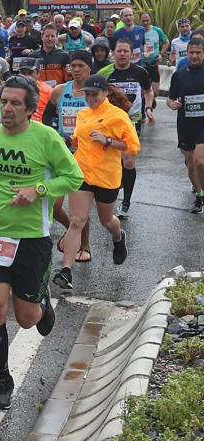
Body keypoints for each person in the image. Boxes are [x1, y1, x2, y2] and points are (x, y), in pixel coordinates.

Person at [0, 76, 83, 410]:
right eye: (4, 101)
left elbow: (73, 177)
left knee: (27, 319)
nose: (7, 108)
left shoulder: (46, 138)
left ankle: (41, 301)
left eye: (15, 103)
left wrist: (38, 190)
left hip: (32, 237)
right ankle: (3, 377)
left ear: (30, 109)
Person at [52, 75, 137, 291]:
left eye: (94, 94)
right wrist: (65, 141)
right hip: (81, 174)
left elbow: (132, 146)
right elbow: (79, 140)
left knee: (106, 220)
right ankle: (66, 270)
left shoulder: (117, 116)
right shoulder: (83, 114)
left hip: (107, 176)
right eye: (87, 94)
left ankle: (118, 237)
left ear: (105, 93)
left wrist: (108, 140)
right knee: (77, 221)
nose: (90, 98)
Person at [42, 50, 94, 262]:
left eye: (81, 65)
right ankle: (73, 231)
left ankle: (85, 245)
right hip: (62, 153)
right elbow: (46, 119)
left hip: (86, 155)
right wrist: (55, 137)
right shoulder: (59, 91)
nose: (77, 70)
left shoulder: (95, 93)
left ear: (90, 68)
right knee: (54, 205)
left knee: (78, 209)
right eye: (74, 66)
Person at [98, 38, 152, 216]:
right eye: (119, 51)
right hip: (110, 123)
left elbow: (148, 91)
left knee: (129, 161)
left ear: (131, 53)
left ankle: (126, 201)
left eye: (125, 51)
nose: (122, 54)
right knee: (113, 160)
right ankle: (112, 193)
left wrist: (148, 107)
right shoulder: (105, 73)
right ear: (113, 53)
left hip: (132, 122)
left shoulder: (140, 72)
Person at [166, 37, 204, 212]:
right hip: (185, 124)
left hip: (202, 125)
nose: (194, 56)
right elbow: (170, 98)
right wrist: (172, 104)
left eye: (198, 53)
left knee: (200, 162)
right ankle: (199, 193)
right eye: (191, 52)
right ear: (186, 53)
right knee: (190, 163)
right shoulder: (179, 75)